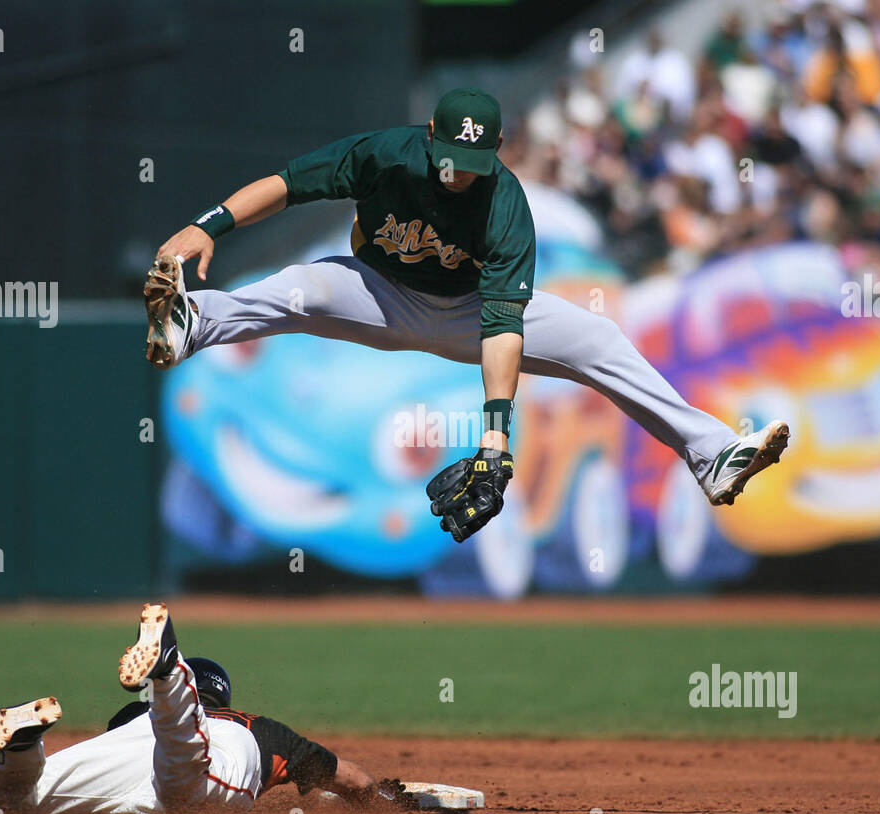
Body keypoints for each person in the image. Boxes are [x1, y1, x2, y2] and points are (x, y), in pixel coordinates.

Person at [143, 87, 789, 541]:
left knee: (598, 339)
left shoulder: (505, 205)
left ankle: (711, 456)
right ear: (430, 135)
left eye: (475, 162)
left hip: (469, 313)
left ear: (501, 147)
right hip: (376, 292)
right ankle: (189, 323)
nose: (459, 174)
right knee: (301, 288)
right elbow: (289, 184)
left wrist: (495, 439)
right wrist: (209, 226)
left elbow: (504, 327)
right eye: (451, 156)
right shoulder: (385, 155)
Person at [0, 603, 410, 814]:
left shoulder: (130, 716)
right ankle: (169, 670)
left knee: (12, 808)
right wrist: (382, 800)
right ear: (224, 700)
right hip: (191, 773)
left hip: (118, 756)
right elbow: (350, 778)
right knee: (183, 776)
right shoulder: (257, 728)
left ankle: (19, 751)